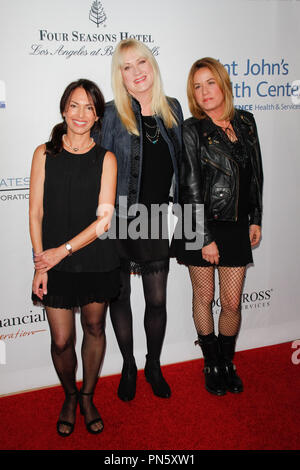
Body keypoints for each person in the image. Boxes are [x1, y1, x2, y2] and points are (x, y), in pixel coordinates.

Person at [29, 79, 119, 436]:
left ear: (97, 115)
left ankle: (87, 396)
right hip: (52, 263)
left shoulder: (106, 158)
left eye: (90, 107)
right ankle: (69, 395)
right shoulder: (44, 153)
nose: (81, 114)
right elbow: (35, 212)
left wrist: (60, 251)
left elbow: (104, 221)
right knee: (61, 341)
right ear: (64, 109)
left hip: (95, 258)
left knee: (95, 327)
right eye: (75, 105)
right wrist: (41, 262)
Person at [100, 39, 183, 401]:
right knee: (119, 298)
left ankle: (153, 364)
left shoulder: (173, 108)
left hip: (154, 219)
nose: (136, 72)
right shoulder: (109, 113)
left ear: (152, 65)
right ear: (120, 75)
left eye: (141, 62)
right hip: (117, 218)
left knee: (158, 301)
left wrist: (191, 222)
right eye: (126, 67)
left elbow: (185, 167)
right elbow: (91, 162)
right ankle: (129, 365)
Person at [175, 57, 263, 395]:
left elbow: (256, 174)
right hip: (201, 225)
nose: (204, 91)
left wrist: (256, 218)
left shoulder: (246, 122)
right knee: (204, 295)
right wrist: (204, 237)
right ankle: (211, 364)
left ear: (223, 83)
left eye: (210, 82)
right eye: (197, 86)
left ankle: (227, 361)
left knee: (231, 302)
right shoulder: (191, 129)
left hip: (237, 224)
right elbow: (190, 186)